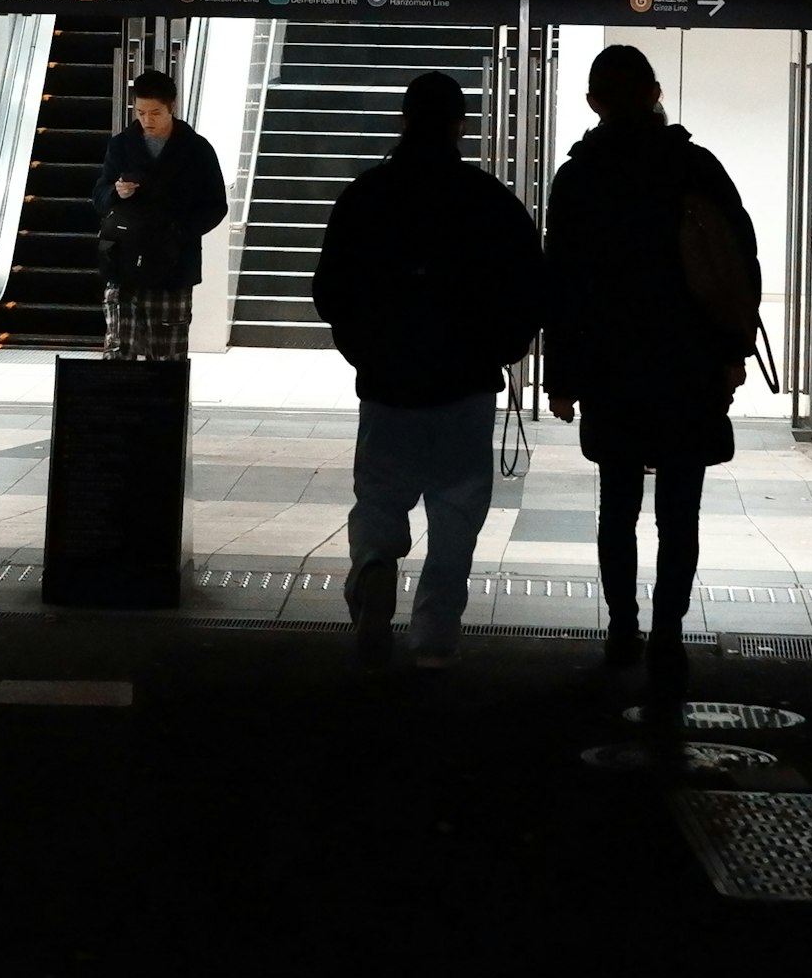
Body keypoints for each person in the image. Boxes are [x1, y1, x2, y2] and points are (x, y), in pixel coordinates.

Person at [542, 43, 760, 689]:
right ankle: (668, 631)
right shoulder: (696, 167)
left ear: (594, 103)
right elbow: (736, 261)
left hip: (612, 366)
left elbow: (564, 283)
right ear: (656, 90)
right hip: (687, 363)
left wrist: (562, 377)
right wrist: (731, 352)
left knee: (617, 504)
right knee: (679, 510)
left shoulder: (579, 177)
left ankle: (620, 627)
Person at [311, 71, 544, 669]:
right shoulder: (489, 201)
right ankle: (434, 633)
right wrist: (502, 349)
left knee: (381, 495)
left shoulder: (366, 195)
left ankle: (373, 569)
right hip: (464, 383)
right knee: (457, 507)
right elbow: (529, 287)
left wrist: (365, 350)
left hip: (388, 383)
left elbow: (329, 289)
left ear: (404, 120)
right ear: (460, 126)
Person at [93, 66, 228, 365]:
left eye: (155, 113)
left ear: (171, 108)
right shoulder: (122, 145)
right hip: (124, 260)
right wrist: (117, 193)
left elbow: (216, 205)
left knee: (168, 357)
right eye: (140, 112)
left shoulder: (197, 150)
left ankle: (163, 411)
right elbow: (99, 196)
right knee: (118, 351)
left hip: (172, 263)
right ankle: (115, 411)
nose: (146, 120)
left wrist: (179, 231)